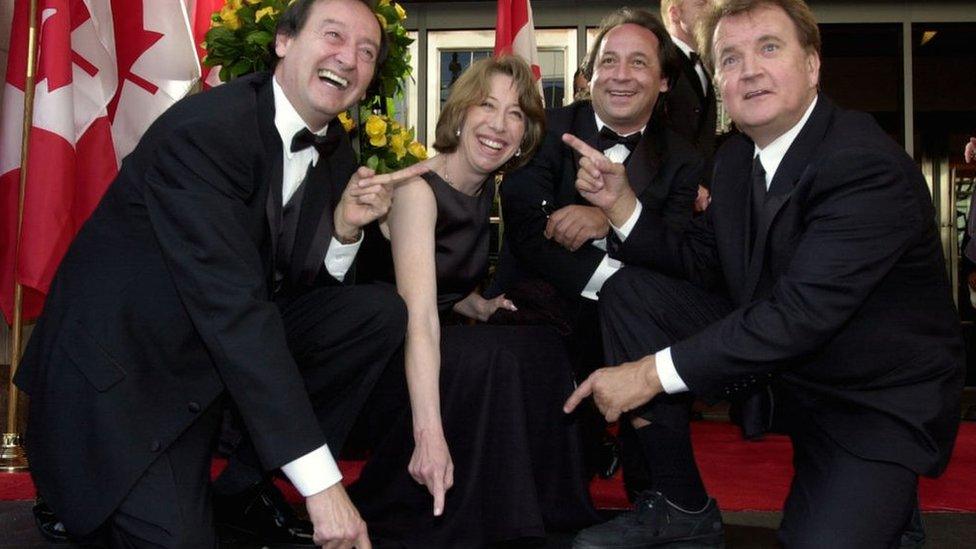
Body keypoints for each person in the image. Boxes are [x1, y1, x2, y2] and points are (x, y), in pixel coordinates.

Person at [14, 0, 424, 546]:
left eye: (367, 52)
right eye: (333, 36)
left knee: (373, 314)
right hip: (125, 373)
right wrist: (323, 486)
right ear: (283, 42)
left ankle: (245, 485)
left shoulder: (337, 155)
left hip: (207, 362)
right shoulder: (209, 129)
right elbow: (235, 310)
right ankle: (70, 483)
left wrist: (344, 233)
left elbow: (294, 299)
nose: (348, 59)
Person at [563, 1, 965, 547]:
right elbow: (701, 263)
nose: (749, 69)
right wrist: (621, 204)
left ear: (813, 66)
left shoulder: (861, 162)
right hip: (792, 377)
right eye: (730, 58)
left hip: (869, 402)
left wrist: (648, 374)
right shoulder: (734, 162)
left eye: (769, 48)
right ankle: (681, 504)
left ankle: (891, 505)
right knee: (632, 292)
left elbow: (799, 314)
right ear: (722, 84)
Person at [348, 55, 599, 547]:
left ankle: (540, 505)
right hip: (382, 371)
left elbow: (440, 280)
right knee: (492, 355)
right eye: (487, 106)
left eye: (515, 114)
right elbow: (418, 317)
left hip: (429, 343)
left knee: (539, 345)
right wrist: (430, 437)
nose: (500, 125)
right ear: (460, 113)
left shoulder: (485, 188)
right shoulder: (418, 192)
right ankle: (479, 508)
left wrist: (478, 305)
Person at [496, 7, 702, 488]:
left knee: (647, 329)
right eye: (609, 62)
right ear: (589, 75)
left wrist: (608, 217)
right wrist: (615, 277)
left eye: (638, 63)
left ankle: (661, 496)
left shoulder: (684, 158)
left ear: (665, 81)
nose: (621, 76)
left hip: (632, 322)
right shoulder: (544, 128)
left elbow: (675, 254)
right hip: (541, 304)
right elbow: (527, 230)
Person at [661, 0, 718, 213]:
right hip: (672, 196)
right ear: (675, 14)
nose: (712, 9)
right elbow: (654, 129)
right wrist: (688, 182)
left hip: (701, 195)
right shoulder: (660, 61)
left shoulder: (703, 63)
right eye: (702, 4)